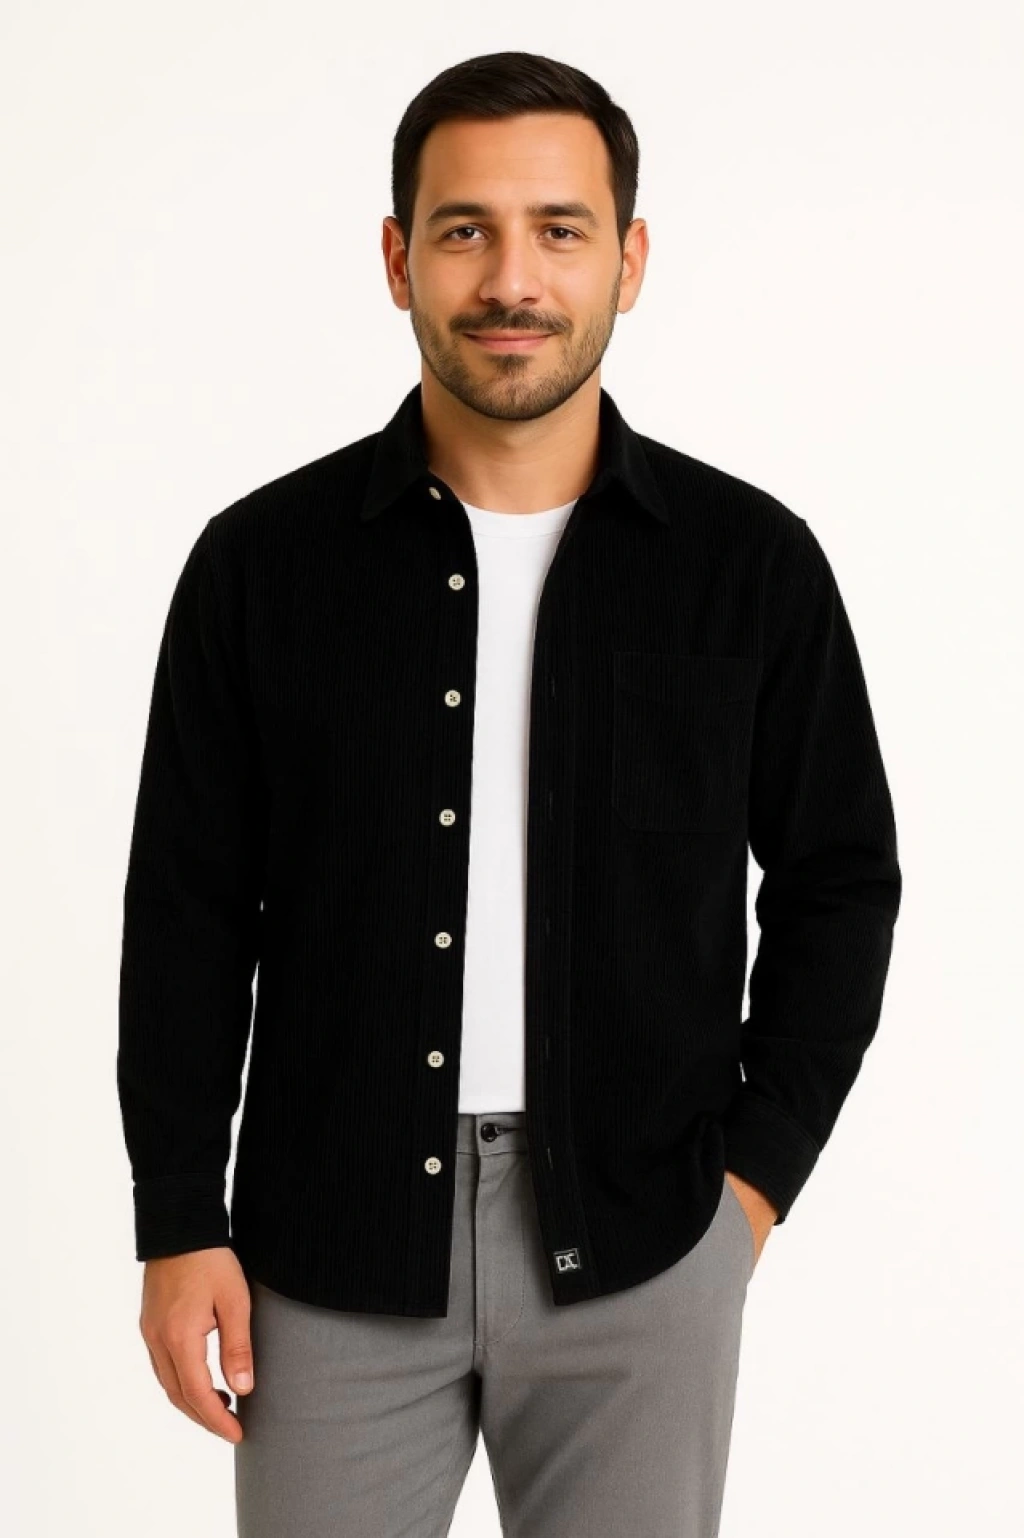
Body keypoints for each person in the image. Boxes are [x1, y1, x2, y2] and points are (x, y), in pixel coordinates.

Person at [117, 49, 902, 1537]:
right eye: (466, 228)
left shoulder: (749, 566)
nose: (513, 279)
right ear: (398, 258)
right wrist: (177, 1217)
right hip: (326, 1249)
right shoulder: (261, 567)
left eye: (560, 228)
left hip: (647, 1242)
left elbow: (840, 882)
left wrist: (749, 1189)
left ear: (630, 259)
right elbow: (188, 910)